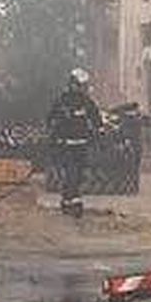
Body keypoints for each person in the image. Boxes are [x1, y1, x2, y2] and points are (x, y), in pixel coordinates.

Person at [47, 68, 101, 217]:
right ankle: (71, 201)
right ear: (72, 84)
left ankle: (71, 200)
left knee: (79, 174)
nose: (82, 89)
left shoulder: (86, 102)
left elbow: (96, 118)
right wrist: (54, 137)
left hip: (82, 143)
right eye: (80, 85)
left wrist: (97, 131)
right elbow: (51, 119)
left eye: (84, 86)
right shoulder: (62, 101)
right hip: (65, 144)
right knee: (71, 173)